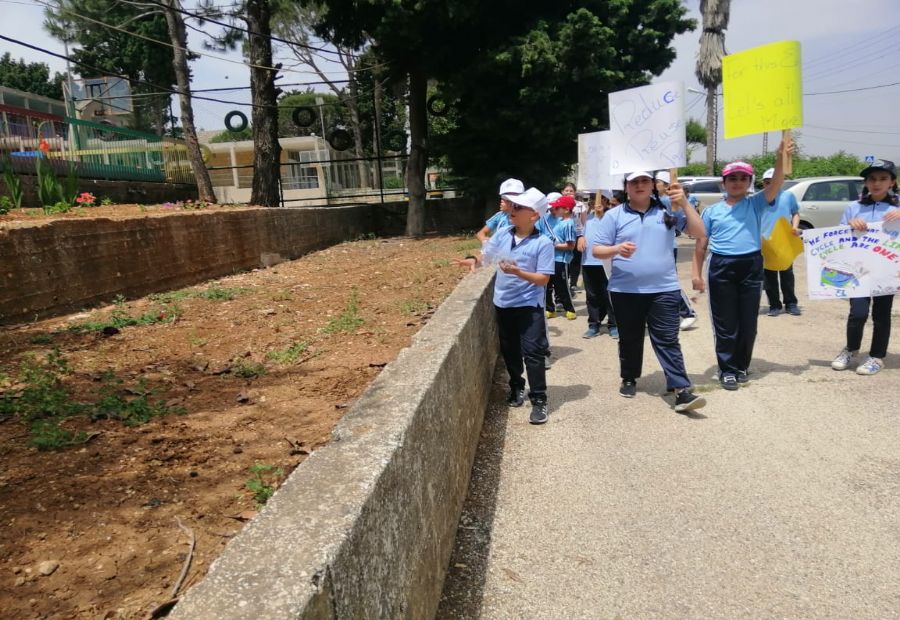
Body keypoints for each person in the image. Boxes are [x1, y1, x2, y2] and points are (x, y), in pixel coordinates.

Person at [592, 171, 706, 414]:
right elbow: (597, 250)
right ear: (626, 187)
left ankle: (681, 389)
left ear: (653, 185)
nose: (640, 185)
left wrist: (684, 203)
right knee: (630, 338)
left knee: (667, 339)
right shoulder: (614, 215)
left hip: (664, 288)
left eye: (645, 181)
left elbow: (699, 232)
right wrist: (617, 249)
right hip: (625, 289)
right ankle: (629, 377)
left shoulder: (669, 210)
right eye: (634, 182)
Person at [691, 137, 794, 391]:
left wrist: (780, 156)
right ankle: (727, 369)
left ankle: (741, 366)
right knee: (725, 322)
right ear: (723, 182)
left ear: (750, 183)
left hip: (751, 265)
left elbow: (777, 182)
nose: (737, 182)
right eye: (732, 178)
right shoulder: (712, 211)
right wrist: (696, 274)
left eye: (743, 178)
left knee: (748, 322)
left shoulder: (756, 203)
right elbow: (701, 244)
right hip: (721, 266)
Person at [456, 187, 555, 424]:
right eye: (513, 205)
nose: (513, 209)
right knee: (510, 350)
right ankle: (517, 386)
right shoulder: (503, 234)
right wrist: (474, 260)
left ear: (534, 215)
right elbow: (487, 255)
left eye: (519, 207)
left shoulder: (543, 243)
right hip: (503, 302)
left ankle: (539, 399)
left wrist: (518, 272)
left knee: (533, 352)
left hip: (529, 305)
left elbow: (543, 279)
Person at [831, 158, 900, 376]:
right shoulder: (854, 207)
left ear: (892, 182)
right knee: (858, 312)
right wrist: (849, 225)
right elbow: (838, 236)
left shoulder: (898, 206)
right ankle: (851, 350)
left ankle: (876, 356)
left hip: (887, 270)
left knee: (882, 314)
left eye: (883, 178)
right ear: (866, 182)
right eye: (872, 179)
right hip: (857, 270)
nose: (877, 183)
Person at [656, 171, 699, 331]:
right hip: (655, 249)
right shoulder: (654, 200)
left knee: (668, 282)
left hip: (667, 248)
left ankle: (688, 313)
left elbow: (681, 223)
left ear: (666, 185)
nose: (654, 184)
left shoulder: (667, 201)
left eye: (658, 182)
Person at [759, 167, 802, 317]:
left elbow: (795, 213)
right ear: (763, 183)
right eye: (767, 182)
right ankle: (774, 305)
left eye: (774, 181)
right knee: (769, 275)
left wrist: (794, 227)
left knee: (787, 273)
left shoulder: (788, 196)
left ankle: (791, 304)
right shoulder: (759, 198)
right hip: (766, 241)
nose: (770, 185)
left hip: (784, 240)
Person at [580, 191, 618, 339]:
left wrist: (602, 215)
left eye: (601, 199)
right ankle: (593, 325)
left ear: (607, 201)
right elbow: (580, 232)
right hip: (588, 261)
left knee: (609, 294)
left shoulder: (612, 217)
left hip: (606, 262)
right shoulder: (587, 218)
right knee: (592, 295)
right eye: (593, 198)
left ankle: (613, 324)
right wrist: (580, 237)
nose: (596, 202)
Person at [545, 195, 577, 320]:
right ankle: (549, 309)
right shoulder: (560, 222)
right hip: (550, 258)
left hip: (561, 260)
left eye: (557, 208)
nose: (554, 210)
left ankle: (570, 309)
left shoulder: (568, 224)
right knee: (547, 284)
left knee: (561, 285)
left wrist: (553, 245)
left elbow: (571, 245)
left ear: (566, 209)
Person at [476, 178, 523, 244]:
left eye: (507, 199)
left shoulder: (528, 217)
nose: (501, 201)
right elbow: (480, 233)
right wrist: (486, 241)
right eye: (502, 198)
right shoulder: (500, 216)